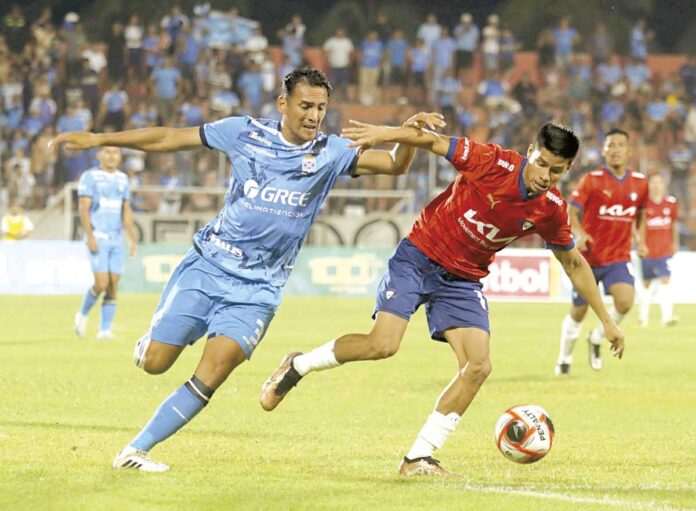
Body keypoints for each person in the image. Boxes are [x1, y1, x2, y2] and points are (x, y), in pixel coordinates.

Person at [50, 67, 420, 472]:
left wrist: (405, 135)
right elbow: (169, 138)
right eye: (305, 106)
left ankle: (135, 451)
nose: (314, 116)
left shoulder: (331, 152)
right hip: (209, 265)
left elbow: (395, 165)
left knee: (215, 370)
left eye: (321, 108)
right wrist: (99, 139)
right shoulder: (243, 133)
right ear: (283, 104)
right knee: (156, 362)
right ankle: (152, 341)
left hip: (259, 290)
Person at [260, 121, 625, 476]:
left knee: (478, 367)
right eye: (541, 163)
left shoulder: (552, 209)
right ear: (531, 151)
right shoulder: (492, 162)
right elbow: (433, 142)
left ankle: (419, 457)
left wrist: (607, 320)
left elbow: (573, 263)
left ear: (568, 169)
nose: (545, 176)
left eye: (556, 171)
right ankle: (299, 365)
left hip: (463, 280)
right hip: (419, 257)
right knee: (383, 345)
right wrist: (385, 133)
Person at [554, 128, 646, 376]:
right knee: (578, 312)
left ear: (628, 150)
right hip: (589, 259)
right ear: (603, 151)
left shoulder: (640, 182)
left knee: (625, 301)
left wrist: (641, 238)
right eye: (610, 145)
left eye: (620, 145)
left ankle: (596, 336)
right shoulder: (591, 180)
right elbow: (571, 212)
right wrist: (581, 234)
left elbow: (641, 213)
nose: (615, 149)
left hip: (618, 257)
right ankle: (564, 358)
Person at [73, 147, 137, 340]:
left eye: (115, 152)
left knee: (113, 284)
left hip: (116, 239)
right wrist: (90, 236)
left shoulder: (123, 179)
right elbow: (83, 209)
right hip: (98, 236)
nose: (111, 156)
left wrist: (132, 238)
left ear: (120, 157)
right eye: (107, 152)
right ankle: (82, 314)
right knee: (101, 283)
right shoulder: (89, 176)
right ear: (99, 155)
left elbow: (126, 210)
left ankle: (104, 331)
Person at [638, 174, 679, 327]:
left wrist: (675, 243)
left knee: (665, 281)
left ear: (664, 185)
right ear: (649, 185)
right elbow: (638, 226)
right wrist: (640, 243)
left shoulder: (671, 203)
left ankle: (666, 318)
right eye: (653, 182)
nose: (656, 185)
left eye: (659, 182)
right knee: (646, 284)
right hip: (648, 251)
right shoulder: (643, 204)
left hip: (664, 250)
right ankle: (643, 318)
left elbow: (674, 224)